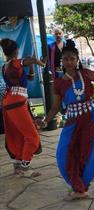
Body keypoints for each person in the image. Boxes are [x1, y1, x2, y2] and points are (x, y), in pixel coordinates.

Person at [37, 40, 94, 201]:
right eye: (66, 59)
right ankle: (78, 184)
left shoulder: (86, 73)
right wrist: (45, 120)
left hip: (91, 117)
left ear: (77, 59)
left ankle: (82, 188)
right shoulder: (58, 83)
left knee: (88, 152)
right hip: (72, 120)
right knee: (63, 153)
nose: (69, 62)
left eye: (72, 58)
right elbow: (55, 107)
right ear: (62, 61)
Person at [0, 38, 45, 177]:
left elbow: (29, 78)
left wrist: (31, 66)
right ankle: (25, 167)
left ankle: (17, 167)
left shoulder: (5, 66)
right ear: (16, 51)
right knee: (32, 136)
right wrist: (40, 63)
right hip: (17, 103)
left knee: (16, 135)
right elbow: (28, 60)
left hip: (9, 103)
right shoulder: (15, 62)